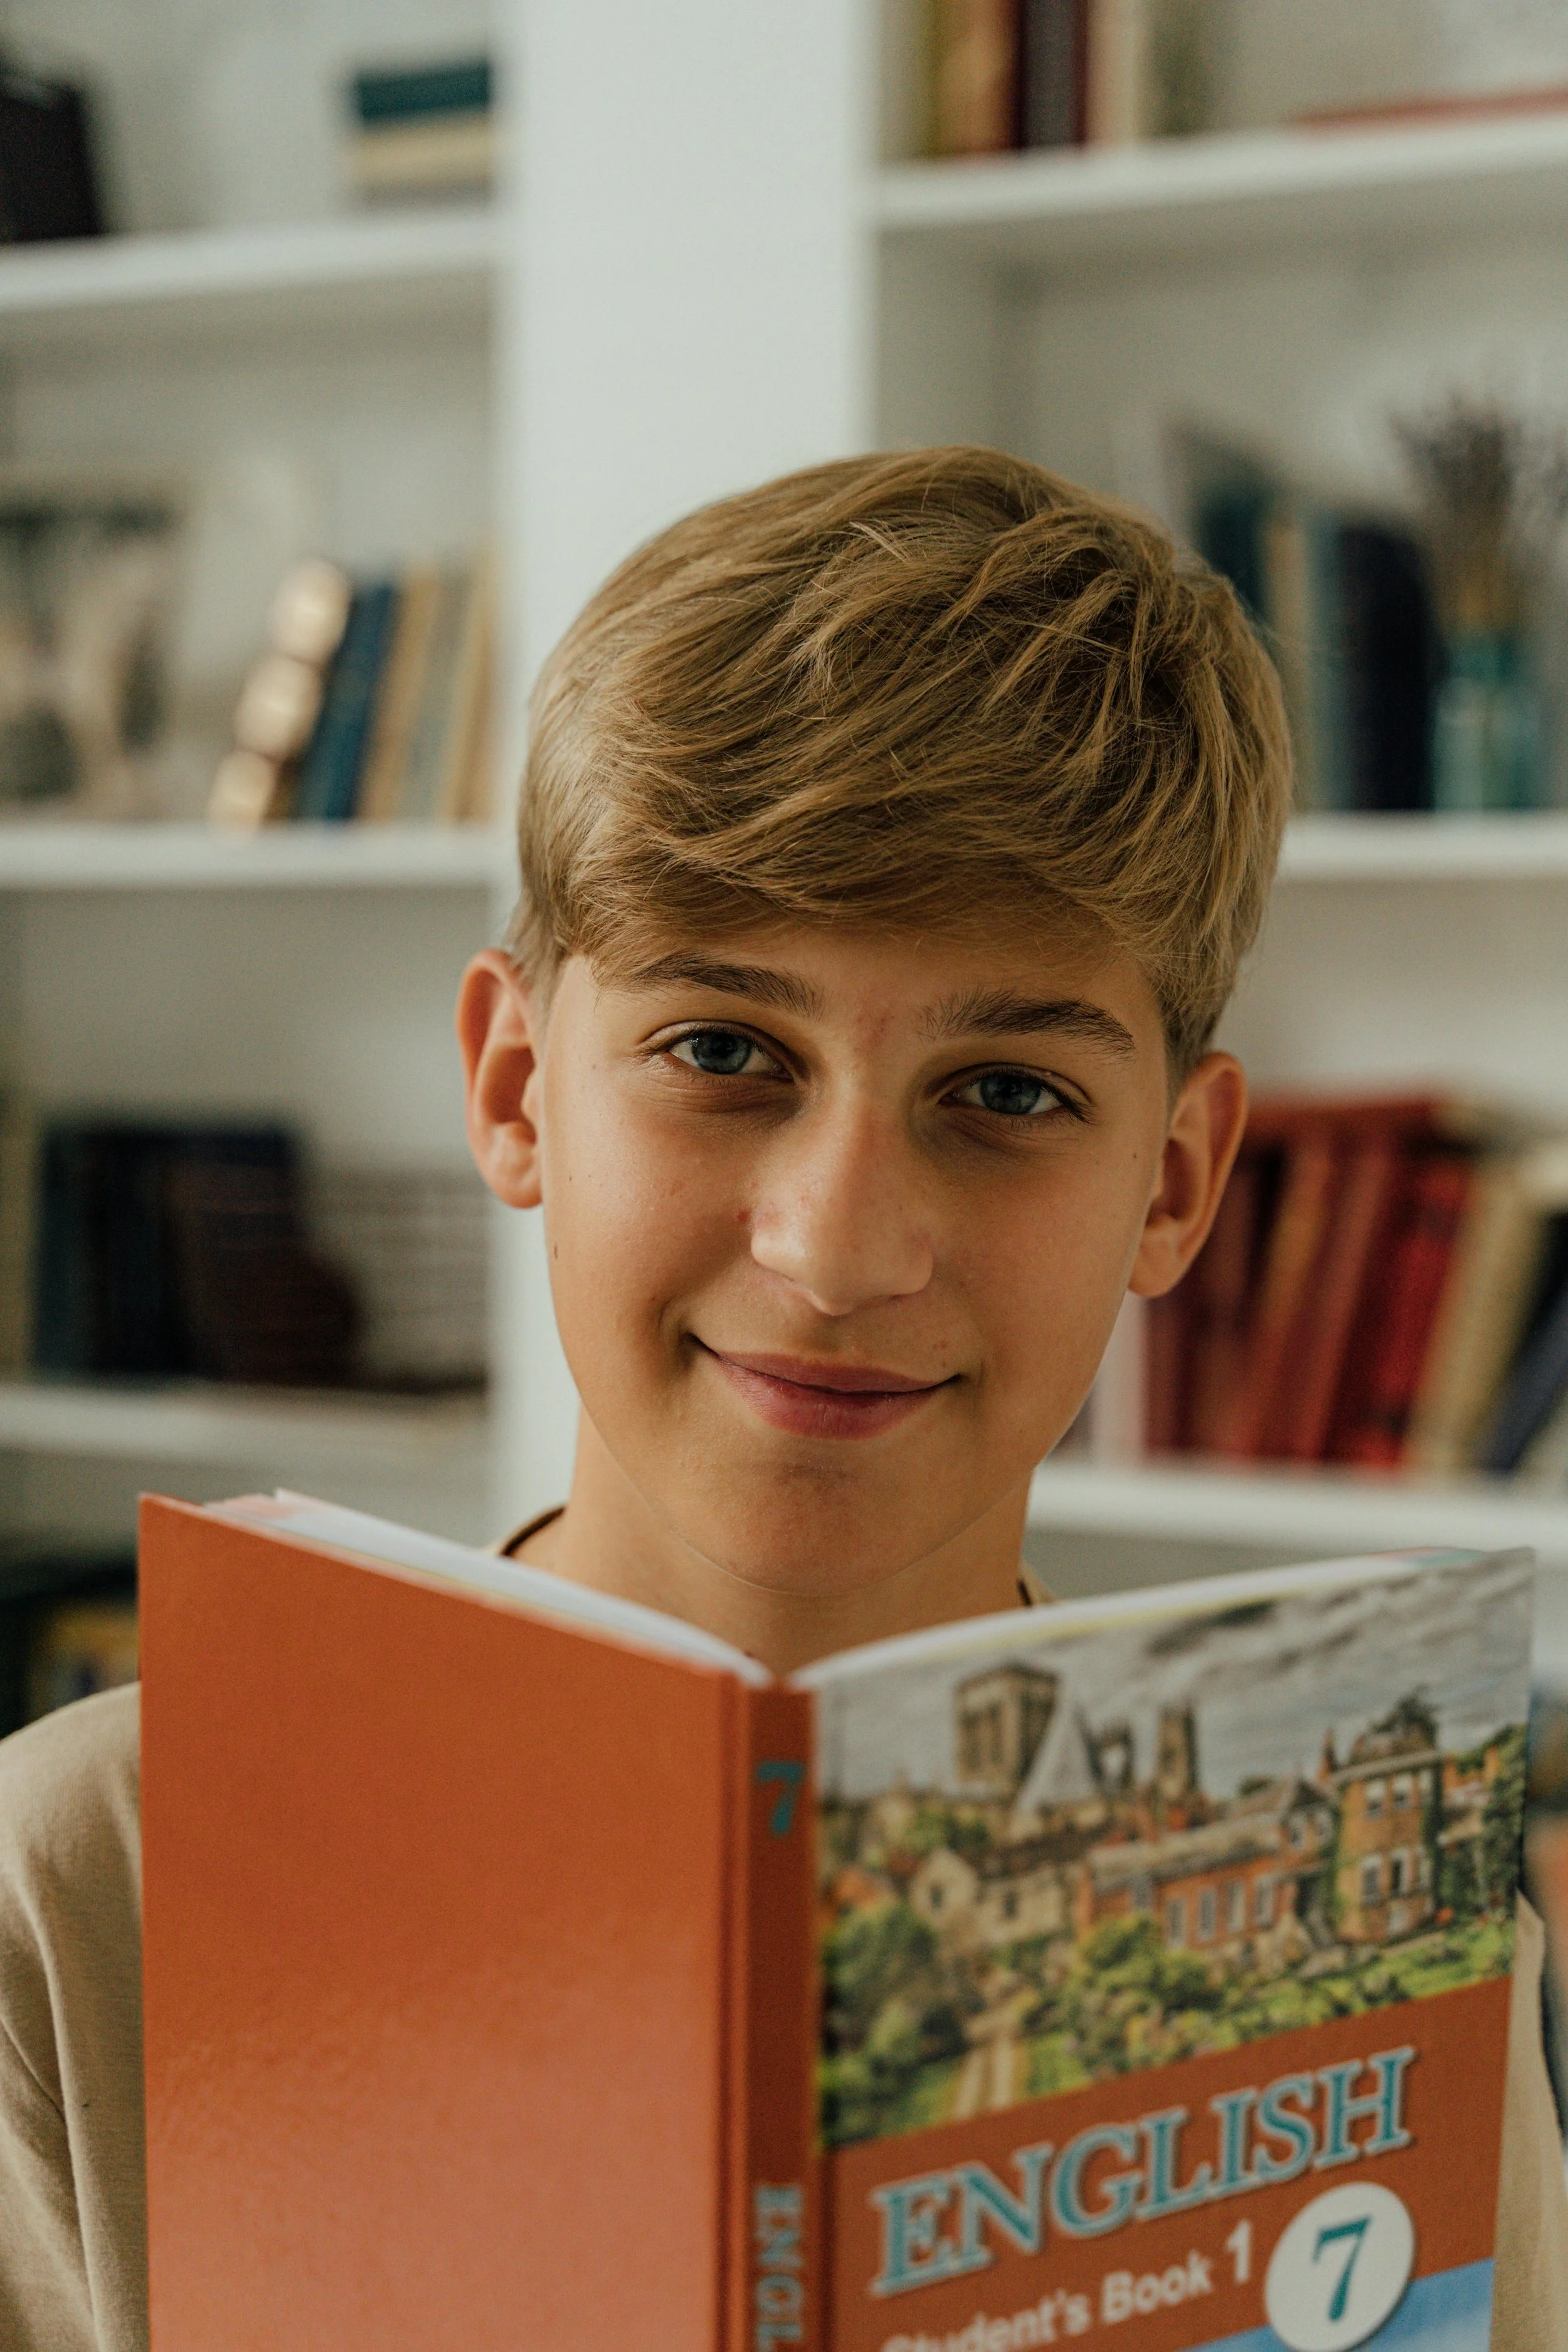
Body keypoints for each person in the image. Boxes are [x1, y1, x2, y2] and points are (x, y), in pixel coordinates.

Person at [1, 448, 1563, 2348]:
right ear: (513, 1089)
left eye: (1006, 1093)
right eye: (723, 1049)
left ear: (1171, 1181)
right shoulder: (88, 1872)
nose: (837, 1248)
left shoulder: (1385, 1921)